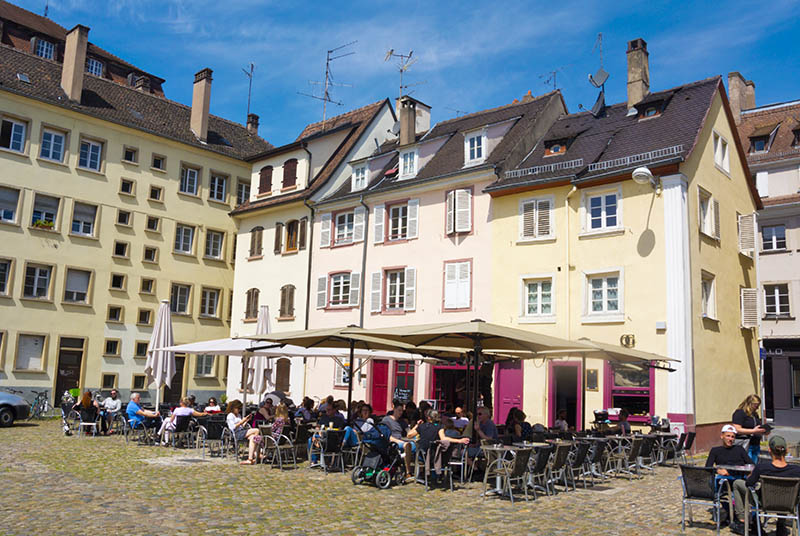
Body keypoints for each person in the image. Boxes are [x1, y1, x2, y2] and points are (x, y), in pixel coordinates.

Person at [730, 436, 800, 536]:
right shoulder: (797, 470)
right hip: (788, 504)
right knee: (785, 493)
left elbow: (749, 483)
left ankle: (742, 520)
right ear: (787, 450)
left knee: (737, 483)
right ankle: (781, 524)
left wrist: (751, 475)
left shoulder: (762, 468)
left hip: (765, 503)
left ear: (769, 450)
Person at [705, 424, 753, 527]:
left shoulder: (739, 449)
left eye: (732, 437)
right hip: (723, 480)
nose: (730, 439)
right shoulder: (715, 450)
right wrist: (718, 470)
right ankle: (730, 513)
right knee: (716, 487)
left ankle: (735, 516)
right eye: (728, 436)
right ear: (722, 436)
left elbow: (750, 464)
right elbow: (707, 467)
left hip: (739, 479)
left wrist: (749, 473)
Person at [382, 402, 415, 480]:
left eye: (402, 411)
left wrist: (417, 426)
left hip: (402, 441)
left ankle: (420, 470)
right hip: (393, 442)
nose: (401, 413)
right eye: (399, 410)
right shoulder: (387, 419)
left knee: (417, 446)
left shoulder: (402, 422)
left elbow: (409, 433)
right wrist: (399, 442)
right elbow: (386, 435)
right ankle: (408, 472)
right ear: (394, 409)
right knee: (407, 445)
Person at [732, 394, 768, 463]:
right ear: (750, 404)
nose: (757, 408)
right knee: (747, 465)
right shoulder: (739, 413)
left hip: (756, 444)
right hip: (746, 444)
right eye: (756, 406)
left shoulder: (755, 414)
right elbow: (737, 429)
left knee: (754, 466)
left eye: (758, 406)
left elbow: (757, 427)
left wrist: (764, 431)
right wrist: (753, 431)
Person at [225, 400, 262, 465]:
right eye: (238, 408)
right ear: (233, 408)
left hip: (241, 431)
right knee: (256, 430)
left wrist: (246, 420)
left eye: (240, 409)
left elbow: (241, 426)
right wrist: (242, 421)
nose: (239, 410)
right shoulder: (230, 416)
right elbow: (233, 427)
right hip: (236, 433)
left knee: (253, 437)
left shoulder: (238, 415)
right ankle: (256, 453)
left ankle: (250, 459)